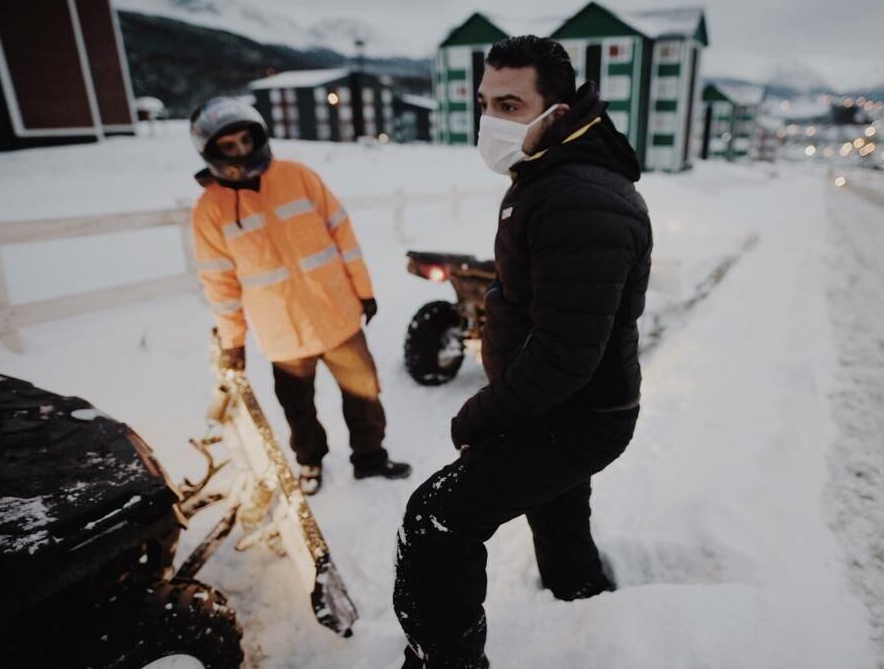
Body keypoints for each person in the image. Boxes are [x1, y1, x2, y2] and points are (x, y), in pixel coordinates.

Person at [393, 36, 652, 667]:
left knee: (437, 518)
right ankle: (583, 601)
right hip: (571, 408)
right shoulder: (550, 175)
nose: (490, 121)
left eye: (509, 104)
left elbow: (565, 354)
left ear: (558, 112)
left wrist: (480, 417)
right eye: (484, 103)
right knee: (559, 510)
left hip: (577, 415)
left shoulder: (580, 197)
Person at [189, 97, 411, 494]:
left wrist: (364, 292)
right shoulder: (210, 211)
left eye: (245, 139)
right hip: (283, 333)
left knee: (364, 393)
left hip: (337, 315)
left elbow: (344, 236)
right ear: (211, 152)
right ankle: (310, 462)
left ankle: (370, 457)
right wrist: (232, 342)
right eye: (228, 145)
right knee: (298, 408)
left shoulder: (299, 177)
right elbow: (220, 284)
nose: (240, 150)